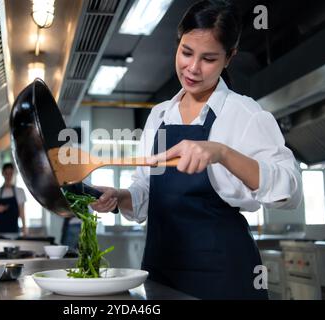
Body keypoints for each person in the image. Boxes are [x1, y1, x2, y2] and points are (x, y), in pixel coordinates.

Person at [91, 0, 302, 300]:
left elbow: (289, 191)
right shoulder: (160, 115)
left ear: (229, 58)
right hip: (162, 271)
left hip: (224, 275)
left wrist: (222, 152)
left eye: (209, 59)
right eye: (186, 52)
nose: (192, 68)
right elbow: (146, 191)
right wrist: (120, 197)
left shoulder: (243, 113)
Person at [0, 163, 27, 239]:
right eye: (6, 173)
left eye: (11, 173)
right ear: (2, 173)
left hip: (13, 235)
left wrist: (25, 231)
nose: (8, 176)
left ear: (14, 174)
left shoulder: (20, 192)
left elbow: (22, 214)